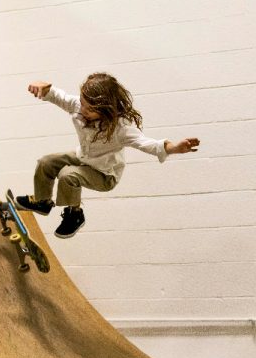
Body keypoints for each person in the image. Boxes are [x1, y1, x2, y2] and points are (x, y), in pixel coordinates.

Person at [16, 72, 200, 239]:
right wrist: (44, 87)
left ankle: (75, 214)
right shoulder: (79, 106)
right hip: (83, 158)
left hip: (104, 174)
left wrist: (174, 147)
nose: (82, 110)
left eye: (89, 109)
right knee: (46, 162)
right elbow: (58, 96)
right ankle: (42, 201)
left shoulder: (122, 128)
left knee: (67, 175)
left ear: (104, 109)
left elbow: (149, 144)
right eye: (82, 103)